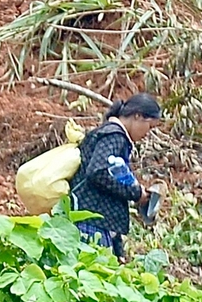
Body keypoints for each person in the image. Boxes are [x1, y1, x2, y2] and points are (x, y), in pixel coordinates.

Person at [69, 91, 162, 259]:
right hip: (91, 223)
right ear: (138, 116)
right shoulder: (114, 136)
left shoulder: (110, 134)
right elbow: (97, 172)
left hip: (94, 222)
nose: (148, 133)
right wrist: (134, 193)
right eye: (150, 127)